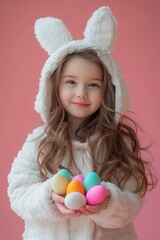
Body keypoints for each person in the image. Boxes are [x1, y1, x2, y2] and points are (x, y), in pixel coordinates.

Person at [8, 6, 156, 240]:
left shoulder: (120, 141)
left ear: (109, 90)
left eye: (93, 84)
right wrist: (50, 197)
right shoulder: (39, 140)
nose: (81, 93)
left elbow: (133, 201)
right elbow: (18, 193)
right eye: (71, 82)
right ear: (53, 87)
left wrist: (108, 201)